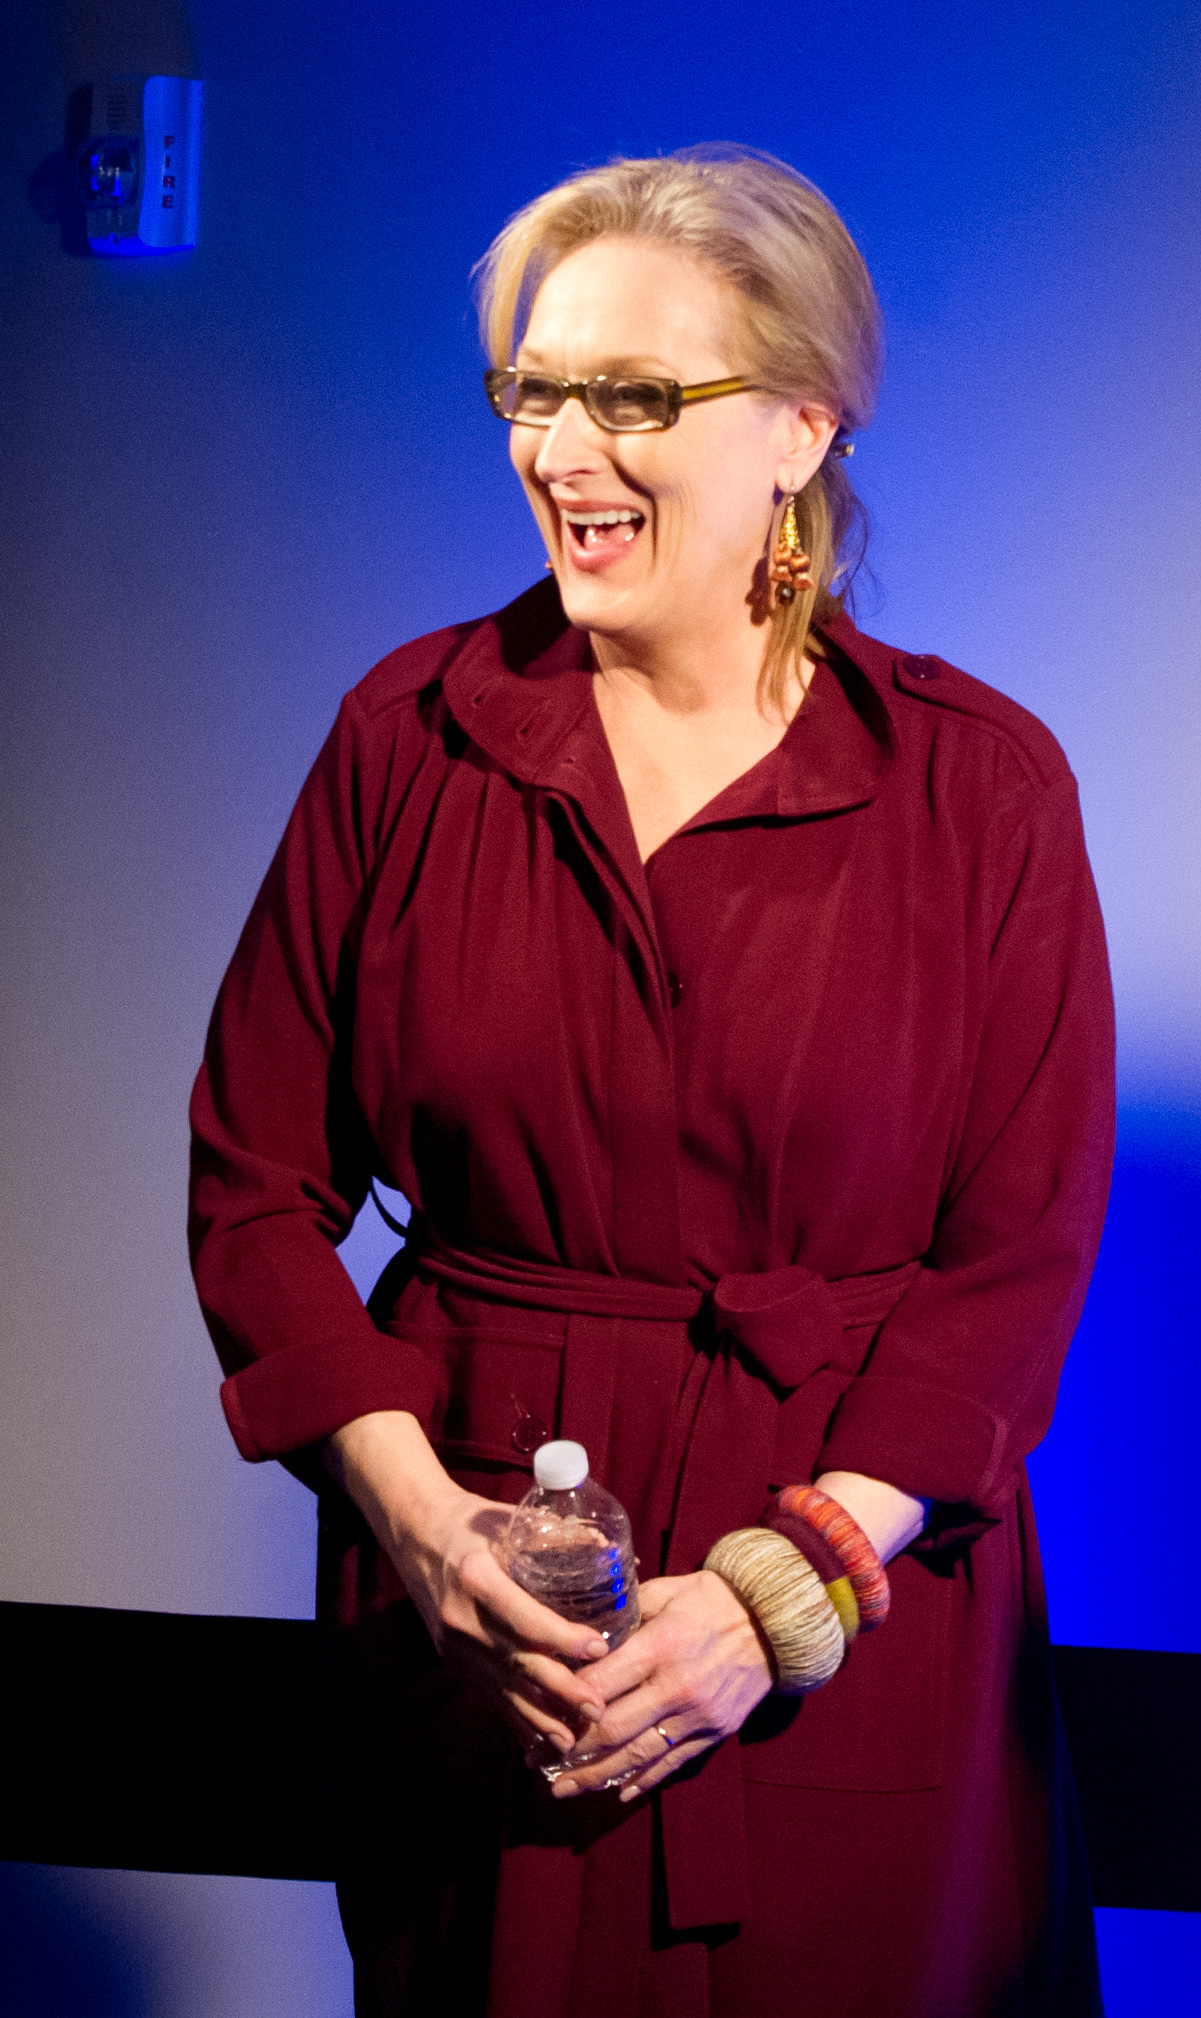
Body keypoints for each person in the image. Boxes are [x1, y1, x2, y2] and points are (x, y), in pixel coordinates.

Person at [189, 145, 1115, 2018]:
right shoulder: (406, 739)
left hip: (852, 1614)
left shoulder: (980, 788)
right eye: (533, 390)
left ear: (798, 430)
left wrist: (775, 1601)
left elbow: (1006, 1282)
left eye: (632, 396)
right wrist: (424, 1527)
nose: (560, 448)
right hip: (489, 1618)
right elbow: (250, 1183)